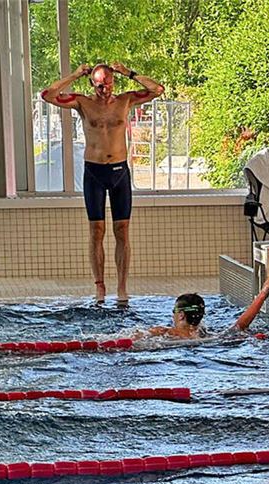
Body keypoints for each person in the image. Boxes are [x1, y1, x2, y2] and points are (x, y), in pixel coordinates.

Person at [40, 63, 164, 305]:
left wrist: (129, 73)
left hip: (119, 171)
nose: (104, 89)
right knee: (96, 231)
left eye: (107, 84)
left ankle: (122, 287)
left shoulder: (125, 101)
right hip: (94, 172)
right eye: (99, 85)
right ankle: (99, 286)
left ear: (113, 82)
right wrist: (75, 74)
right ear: (91, 83)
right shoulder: (82, 103)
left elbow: (157, 89)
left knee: (122, 230)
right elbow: (48, 95)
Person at [140, 274, 269, 340]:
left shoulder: (165, 332)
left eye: (174, 312)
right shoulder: (206, 335)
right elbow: (240, 326)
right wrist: (263, 293)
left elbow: (135, 339)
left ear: (181, 315)